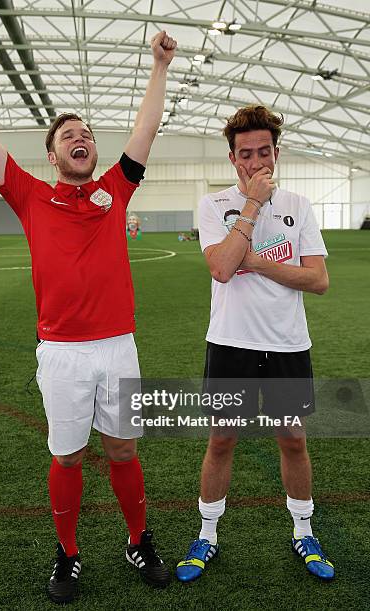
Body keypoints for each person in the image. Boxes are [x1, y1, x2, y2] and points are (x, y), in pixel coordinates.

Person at [0, 30, 177, 605]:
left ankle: (139, 539)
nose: (80, 139)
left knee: (123, 450)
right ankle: (68, 551)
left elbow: (146, 131)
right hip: (60, 350)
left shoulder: (116, 188)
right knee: (67, 455)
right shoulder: (30, 195)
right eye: (68, 136)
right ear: (53, 153)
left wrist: (158, 65)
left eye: (86, 134)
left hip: (117, 345)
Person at [176, 105, 334, 583]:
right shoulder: (212, 205)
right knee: (222, 439)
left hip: (287, 345)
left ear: (276, 152)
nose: (256, 161)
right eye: (246, 154)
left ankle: (303, 530)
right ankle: (207, 535)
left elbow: (318, 280)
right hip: (230, 344)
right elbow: (223, 268)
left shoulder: (299, 206)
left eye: (264, 151)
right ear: (233, 158)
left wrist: (258, 262)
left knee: (293, 438)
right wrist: (251, 206)